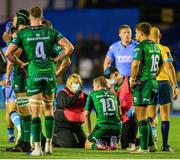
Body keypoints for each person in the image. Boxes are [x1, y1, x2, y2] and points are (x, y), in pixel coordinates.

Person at [6, 6, 74, 156]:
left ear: (30, 18)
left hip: (34, 74)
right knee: (49, 110)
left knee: (35, 113)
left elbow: (9, 54)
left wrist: (21, 64)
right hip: (49, 74)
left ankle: (37, 148)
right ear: (42, 18)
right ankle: (49, 145)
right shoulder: (51, 32)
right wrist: (56, 59)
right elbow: (69, 48)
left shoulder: (24, 33)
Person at [129, 22, 161, 153]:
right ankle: (151, 145)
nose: (135, 35)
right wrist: (152, 76)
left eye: (135, 32)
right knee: (146, 115)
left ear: (141, 33)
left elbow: (135, 65)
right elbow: (160, 66)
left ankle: (143, 148)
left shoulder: (140, 47)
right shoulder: (155, 46)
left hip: (143, 83)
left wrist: (132, 79)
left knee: (140, 116)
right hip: (153, 82)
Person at [5, 10, 32, 153]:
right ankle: (23, 141)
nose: (13, 19)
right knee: (23, 109)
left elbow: (12, 55)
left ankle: (27, 142)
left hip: (22, 76)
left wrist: (8, 42)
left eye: (15, 17)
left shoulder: (21, 34)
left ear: (20, 19)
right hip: (25, 75)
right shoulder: (29, 33)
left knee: (24, 109)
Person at [147, 27, 179, 151]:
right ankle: (165, 145)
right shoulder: (164, 49)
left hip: (150, 83)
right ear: (160, 36)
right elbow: (169, 67)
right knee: (165, 115)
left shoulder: (146, 49)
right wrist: (175, 86)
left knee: (150, 116)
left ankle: (150, 142)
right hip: (163, 83)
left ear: (149, 36)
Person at [104, 66, 138, 151]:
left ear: (116, 74)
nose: (108, 80)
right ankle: (145, 140)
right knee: (124, 144)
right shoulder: (112, 88)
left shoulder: (129, 81)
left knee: (126, 144)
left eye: (109, 77)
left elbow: (138, 94)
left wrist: (134, 107)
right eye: (107, 78)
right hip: (122, 119)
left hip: (131, 117)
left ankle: (139, 141)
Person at [85, 76, 121, 150]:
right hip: (117, 128)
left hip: (102, 127)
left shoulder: (92, 95)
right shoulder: (114, 95)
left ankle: (98, 146)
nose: (93, 88)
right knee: (109, 135)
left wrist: (89, 133)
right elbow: (120, 113)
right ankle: (114, 141)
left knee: (87, 143)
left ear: (97, 86)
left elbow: (86, 115)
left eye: (93, 86)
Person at [53, 73, 87, 148]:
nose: (78, 85)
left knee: (83, 144)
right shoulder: (62, 93)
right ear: (70, 83)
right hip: (62, 126)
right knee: (71, 144)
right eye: (76, 83)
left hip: (76, 126)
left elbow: (91, 102)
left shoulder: (82, 95)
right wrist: (76, 95)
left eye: (79, 83)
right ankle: (54, 138)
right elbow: (63, 104)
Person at [1, 23, 21, 143]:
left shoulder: (5, 49)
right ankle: (13, 135)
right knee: (11, 108)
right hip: (12, 80)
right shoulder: (5, 50)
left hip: (15, 79)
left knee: (11, 108)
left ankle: (15, 133)